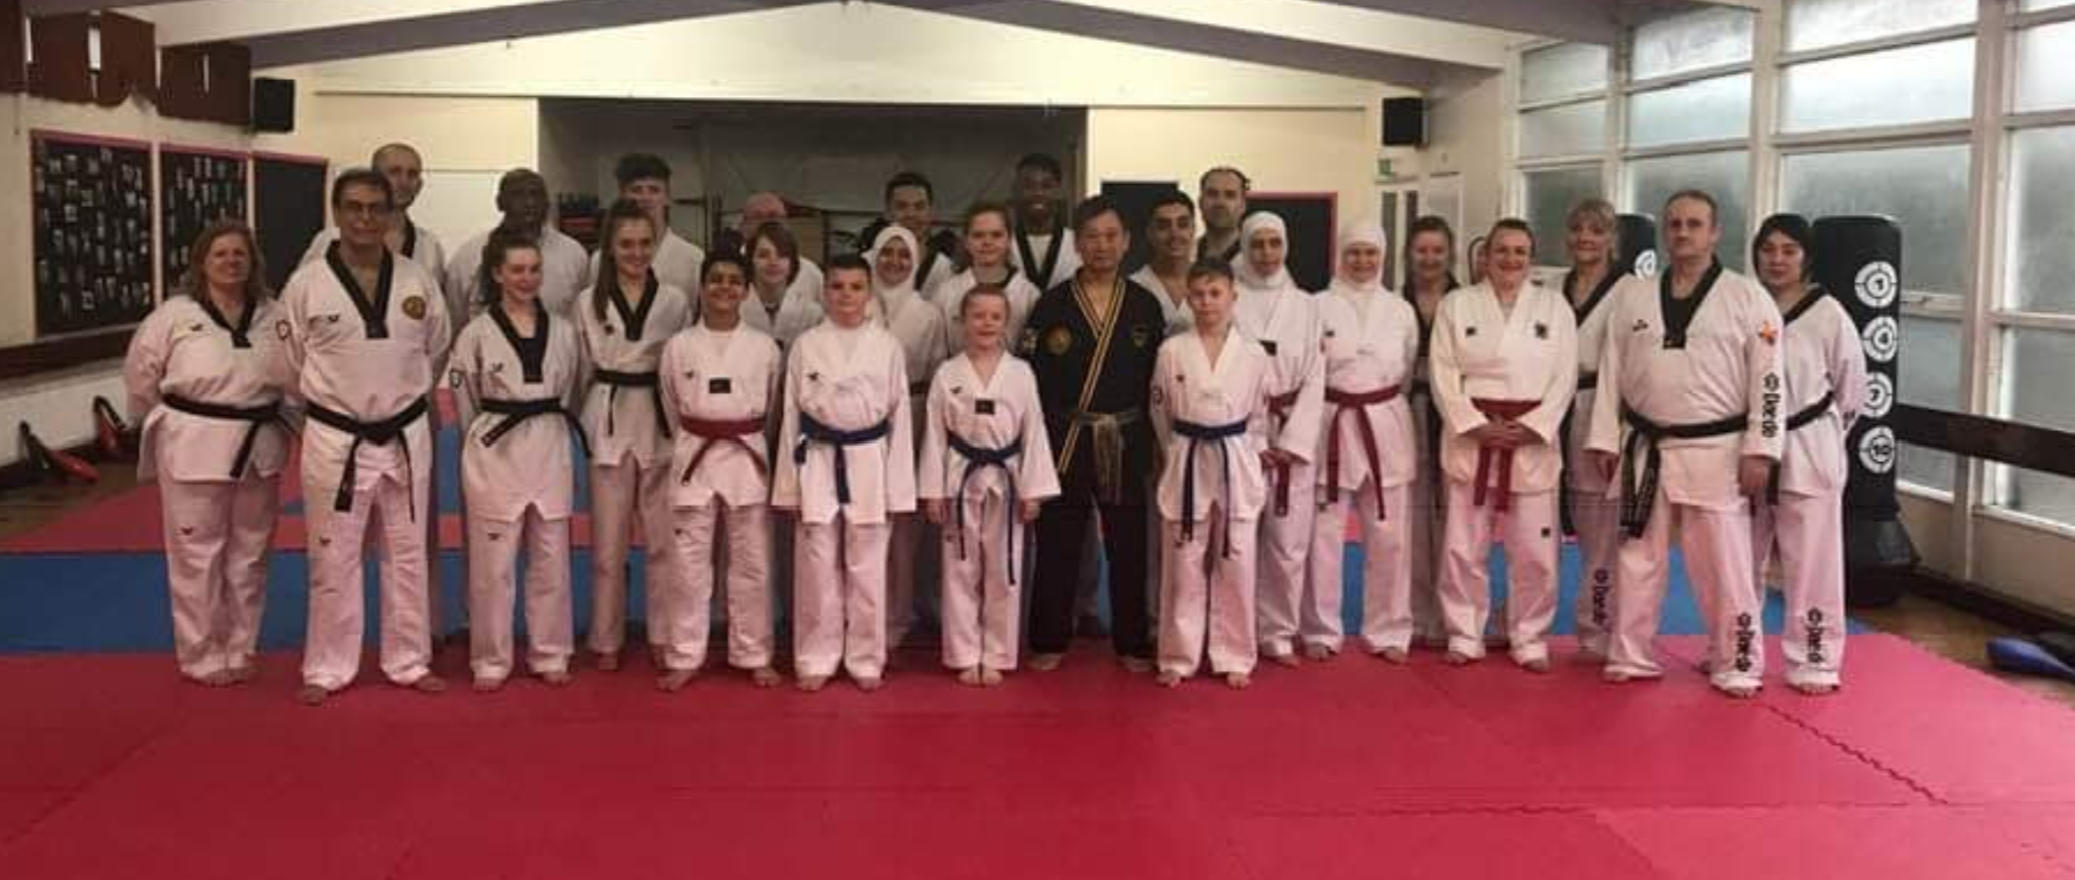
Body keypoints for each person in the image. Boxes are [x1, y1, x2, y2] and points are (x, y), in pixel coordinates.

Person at [1587, 190, 1785, 699]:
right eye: (1674, 223)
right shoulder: (1634, 295)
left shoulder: (1748, 298)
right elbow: (1611, 370)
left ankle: (1737, 660)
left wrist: (1761, 448)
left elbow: (1769, 380)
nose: (1682, 233)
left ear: (1715, 232)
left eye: (1694, 224)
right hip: (1643, 444)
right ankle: (1630, 653)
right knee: (1637, 554)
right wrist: (1605, 436)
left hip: (1717, 449)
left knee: (1723, 562)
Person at [283, 168, 453, 705]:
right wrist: (333, 406)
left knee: (408, 551)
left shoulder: (416, 279)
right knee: (333, 554)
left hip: (404, 432)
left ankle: (408, 659)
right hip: (336, 436)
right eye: (354, 207)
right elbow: (289, 362)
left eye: (375, 207)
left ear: (389, 214)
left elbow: (436, 347)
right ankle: (328, 666)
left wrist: (402, 396)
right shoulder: (307, 283)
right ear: (336, 213)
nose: (365, 218)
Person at [123, 220, 292, 686]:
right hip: (193, 442)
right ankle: (200, 653)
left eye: (240, 254)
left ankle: (241, 646)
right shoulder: (173, 316)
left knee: (251, 554)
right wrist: (173, 421)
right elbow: (141, 379)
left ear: (253, 262)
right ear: (201, 262)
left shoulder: (274, 314)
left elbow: (297, 375)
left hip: (259, 444)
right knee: (196, 555)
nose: (231, 262)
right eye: (220, 254)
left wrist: (291, 423)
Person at [1019, 196, 1164, 672]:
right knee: (1058, 541)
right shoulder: (1052, 304)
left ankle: (1132, 641)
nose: (1101, 245)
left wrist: (1156, 443)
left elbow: (1157, 382)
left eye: (1110, 236)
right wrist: (1035, 443)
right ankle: (1049, 638)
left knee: (1129, 543)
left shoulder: (1144, 304)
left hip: (1125, 435)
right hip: (1066, 435)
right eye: (1091, 237)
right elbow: (1031, 378)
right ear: (1076, 244)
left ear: (1126, 241)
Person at [1429, 219, 1578, 671]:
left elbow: (1565, 376)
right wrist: (1473, 424)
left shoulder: (1554, 307)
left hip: (1530, 441)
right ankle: (1465, 633)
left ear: (1531, 258)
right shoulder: (1457, 304)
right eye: (1501, 250)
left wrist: (1534, 426)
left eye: (1519, 251)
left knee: (1534, 549)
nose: (1510, 259)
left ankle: (1529, 636)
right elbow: (1442, 371)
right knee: (1462, 545)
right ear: (1485, 255)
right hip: (1473, 439)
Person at [772, 254, 918, 692]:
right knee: (815, 562)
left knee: (868, 564)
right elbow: (790, 418)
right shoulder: (806, 344)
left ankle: (866, 657)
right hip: (816, 457)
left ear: (869, 293)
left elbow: (900, 418)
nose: (846, 295)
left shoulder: (887, 346)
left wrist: (898, 489)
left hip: (870, 457)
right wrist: (788, 487)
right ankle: (815, 656)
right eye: (837, 286)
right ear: (824, 292)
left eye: (856, 287)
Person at [450, 231, 585, 691]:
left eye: (534, 269)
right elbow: (465, 400)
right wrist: (482, 436)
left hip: (548, 443)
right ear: (497, 274)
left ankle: (551, 652)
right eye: (517, 270)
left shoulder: (563, 331)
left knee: (551, 557)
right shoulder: (475, 334)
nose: (527, 278)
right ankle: (490, 658)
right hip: (495, 449)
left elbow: (573, 388)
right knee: (493, 565)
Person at [918, 283, 1060, 686]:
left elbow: (1034, 431)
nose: (986, 323)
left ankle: (997, 652)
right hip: (959, 477)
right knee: (959, 567)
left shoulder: (1021, 373)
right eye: (978, 315)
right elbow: (934, 435)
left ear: (1007, 322)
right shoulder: (948, 373)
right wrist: (933, 492)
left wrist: (1033, 490)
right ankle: (964, 653)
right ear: (962, 320)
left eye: (995, 316)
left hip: (1007, 478)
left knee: (1005, 568)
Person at [577, 199, 696, 673]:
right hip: (607, 417)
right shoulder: (587, 301)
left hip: (658, 419)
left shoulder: (674, 300)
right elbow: (580, 368)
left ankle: (663, 634)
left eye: (645, 243)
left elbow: (681, 365)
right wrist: (578, 420)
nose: (636, 252)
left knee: (663, 541)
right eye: (626, 244)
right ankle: (606, 636)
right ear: (609, 246)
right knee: (608, 546)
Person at [659, 250, 786, 690]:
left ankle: (754, 652)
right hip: (695, 452)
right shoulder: (679, 346)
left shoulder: (764, 348)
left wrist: (748, 437)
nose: (724, 288)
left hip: (746, 456)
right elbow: (670, 403)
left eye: (734, 281)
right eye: (716, 279)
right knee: (688, 564)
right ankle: (684, 654)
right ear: (701, 286)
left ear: (747, 290)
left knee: (753, 562)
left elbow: (772, 409)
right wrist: (701, 431)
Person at [1750, 213, 1865, 695]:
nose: (1777, 260)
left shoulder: (1828, 313)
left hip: (1809, 442)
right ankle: (1735, 650)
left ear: (1807, 258)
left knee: (1813, 562)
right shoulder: (1744, 304)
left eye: (1789, 251)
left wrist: (1823, 435)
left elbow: (1852, 390)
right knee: (1739, 559)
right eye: (1768, 249)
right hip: (1750, 447)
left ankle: (1815, 658)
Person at [1150, 260, 1273, 689]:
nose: (1207, 303)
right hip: (1186, 454)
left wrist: (1253, 457)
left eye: (1215, 293)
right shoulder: (1171, 351)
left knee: (1236, 558)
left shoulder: (1254, 354)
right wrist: (1174, 451)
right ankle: (1178, 655)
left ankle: (1234, 654)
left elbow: (1260, 416)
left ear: (1233, 296)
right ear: (1188, 298)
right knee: (1183, 561)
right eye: (1199, 294)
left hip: (1235, 457)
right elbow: (1160, 412)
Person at [1308, 222, 1420, 662]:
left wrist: (1378, 401)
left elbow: (1406, 369)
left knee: (1390, 535)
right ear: (1340, 254)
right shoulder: (1317, 306)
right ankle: (1320, 629)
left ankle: (1389, 630)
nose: (1362, 261)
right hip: (1331, 422)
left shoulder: (1400, 310)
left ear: (1384, 256)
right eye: (1354, 252)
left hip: (1384, 422)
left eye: (1371, 252)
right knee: (1324, 536)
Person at [1229, 213, 1326, 666]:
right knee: (1238, 538)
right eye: (1257, 244)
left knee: (1288, 543)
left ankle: (1280, 631)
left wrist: (1292, 439)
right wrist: (1252, 435)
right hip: (1241, 430)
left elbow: (1316, 376)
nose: (1266, 253)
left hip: (1292, 432)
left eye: (1274, 243)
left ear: (1286, 247)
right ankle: (1237, 629)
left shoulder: (1307, 305)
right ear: (1244, 246)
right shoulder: (1227, 297)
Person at [869, 226, 952, 652]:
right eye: (887, 252)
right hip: (863, 419)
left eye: (904, 255)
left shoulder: (928, 312)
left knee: (906, 526)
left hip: (915, 413)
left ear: (916, 261)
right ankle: (865, 614)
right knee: (867, 522)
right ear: (873, 256)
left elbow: (939, 370)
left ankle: (899, 616)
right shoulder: (858, 302)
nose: (895, 261)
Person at [1560, 199, 1626, 657]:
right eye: (1578, 228)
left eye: (1597, 230)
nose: (1586, 237)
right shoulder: (1551, 288)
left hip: (1602, 411)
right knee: (1540, 524)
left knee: (1601, 533)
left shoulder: (1631, 291)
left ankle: (1598, 627)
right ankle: (1525, 612)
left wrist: (1614, 430)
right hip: (1552, 410)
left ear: (1612, 238)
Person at [1400, 216, 1460, 649]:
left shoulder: (1467, 302)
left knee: (1453, 516)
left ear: (1450, 254)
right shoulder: (1394, 303)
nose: (1429, 258)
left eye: (1438, 250)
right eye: (1421, 250)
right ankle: (1416, 615)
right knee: (1412, 515)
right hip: (1406, 411)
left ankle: (1450, 616)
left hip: (1454, 414)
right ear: (1408, 254)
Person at [444, 168, 590, 320]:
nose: (529, 202)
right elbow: (455, 323)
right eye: (518, 194)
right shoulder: (468, 257)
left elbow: (580, 319)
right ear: (500, 202)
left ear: (547, 203)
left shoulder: (574, 254)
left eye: (536, 194)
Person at [299, 143, 447, 274]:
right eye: (394, 172)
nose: (404, 181)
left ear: (419, 185)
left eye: (412, 174)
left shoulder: (430, 247)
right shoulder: (331, 239)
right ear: (374, 178)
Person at [926, 201, 1042, 354]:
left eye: (996, 235)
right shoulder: (945, 294)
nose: (987, 242)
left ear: (1009, 240)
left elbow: (1032, 351)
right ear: (966, 241)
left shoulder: (1030, 296)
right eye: (978, 235)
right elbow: (935, 352)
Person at [587, 153, 705, 296]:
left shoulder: (694, 259)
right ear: (622, 197)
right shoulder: (600, 261)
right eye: (636, 190)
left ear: (667, 198)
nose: (645, 198)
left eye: (654, 190)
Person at [859, 171, 960, 293]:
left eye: (919, 207)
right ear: (887, 213)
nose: (911, 214)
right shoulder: (865, 265)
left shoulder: (944, 270)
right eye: (901, 206)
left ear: (931, 212)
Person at [741, 220, 826, 350]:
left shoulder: (812, 315)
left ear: (793, 264)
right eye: (763, 255)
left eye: (782, 255)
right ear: (750, 261)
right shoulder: (736, 310)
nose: (773, 262)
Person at [1129, 189, 1198, 337]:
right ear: (1149, 232)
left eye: (1183, 225)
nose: (1174, 234)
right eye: (1163, 226)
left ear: (1194, 229)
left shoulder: (1213, 283)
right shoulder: (1132, 288)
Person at [1007, 153, 1081, 289]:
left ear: (1059, 191)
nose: (1038, 193)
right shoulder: (1002, 245)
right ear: (1016, 190)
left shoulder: (1078, 244)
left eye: (1047, 186)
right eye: (1028, 186)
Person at [1196, 166, 1250, 264]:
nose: (1220, 203)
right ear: (1200, 202)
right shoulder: (1186, 255)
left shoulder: (1254, 257)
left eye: (1230, 195)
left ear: (1243, 205)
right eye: (1212, 194)